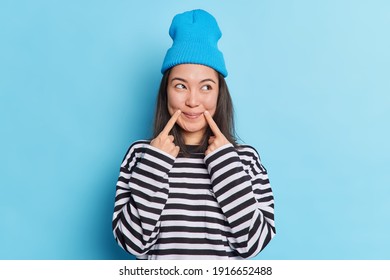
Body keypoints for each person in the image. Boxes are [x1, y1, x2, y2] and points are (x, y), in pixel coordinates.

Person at [112, 9, 275, 260]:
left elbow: (253, 243)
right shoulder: (141, 156)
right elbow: (131, 243)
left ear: (220, 93)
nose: (192, 100)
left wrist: (225, 164)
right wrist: (155, 165)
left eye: (206, 87)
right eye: (180, 85)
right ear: (166, 91)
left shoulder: (244, 159)